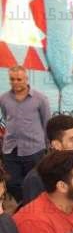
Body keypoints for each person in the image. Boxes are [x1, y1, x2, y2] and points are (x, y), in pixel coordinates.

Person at [0, 65, 51, 202]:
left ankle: (34, 206)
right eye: (12, 79)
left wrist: (47, 146)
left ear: (26, 79)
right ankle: (24, 205)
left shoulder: (40, 99)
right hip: (11, 149)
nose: (15, 82)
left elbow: (46, 122)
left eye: (19, 79)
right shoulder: (4, 99)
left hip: (34, 149)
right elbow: (6, 117)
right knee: (12, 183)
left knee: (35, 182)